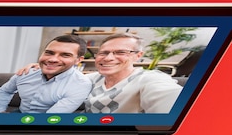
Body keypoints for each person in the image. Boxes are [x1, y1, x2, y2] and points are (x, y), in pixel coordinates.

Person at [18, 33, 183, 113]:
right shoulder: (90, 79)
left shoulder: (150, 79)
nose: (109, 58)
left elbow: (169, 102)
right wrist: (44, 68)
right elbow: (62, 78)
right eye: (103, 53)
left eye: (120, 52)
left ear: (137, 56)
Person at [0, 34, 92, 114]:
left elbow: (51, 118)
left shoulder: (81, 84)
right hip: (19, 114)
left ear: (78, 60)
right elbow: (5, 91)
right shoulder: (27, 72)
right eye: (49, 53)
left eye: (65, 55)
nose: (52, 59)